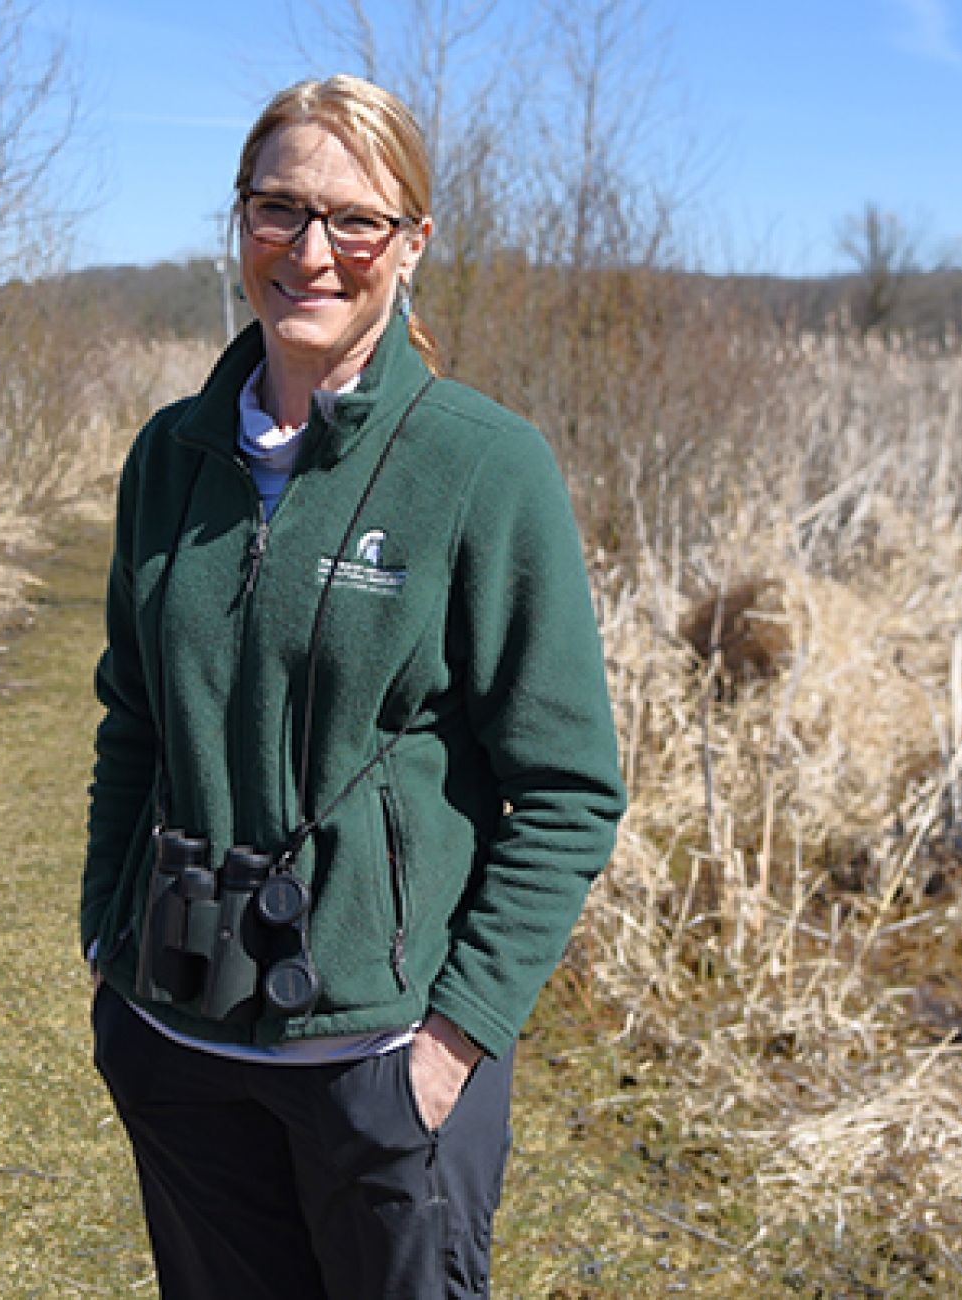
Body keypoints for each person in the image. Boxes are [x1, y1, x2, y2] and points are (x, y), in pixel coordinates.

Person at [81, 73, 626, 1300]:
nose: (311, 251)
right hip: (175, 1033)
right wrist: (106, 943)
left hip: (380, 1057)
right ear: (239, 223)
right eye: (279, 209)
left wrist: (450, 1043)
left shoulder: (483, 468)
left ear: (412, 243)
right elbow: (132, 713)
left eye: (355, 220)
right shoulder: (170, 456)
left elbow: (567, 789)